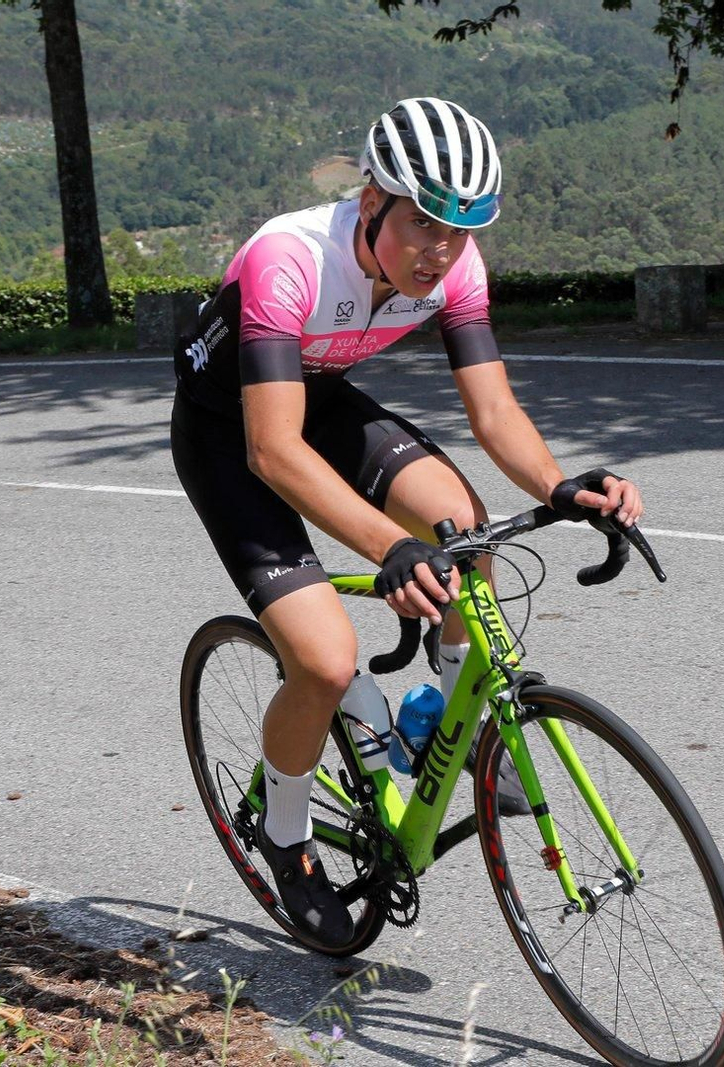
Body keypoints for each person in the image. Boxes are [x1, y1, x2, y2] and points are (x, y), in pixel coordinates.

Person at [170, 97, 644, 949]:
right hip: (230, 431)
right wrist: (389, 545)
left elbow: (493, 410)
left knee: (463, 523)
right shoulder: (288, 260)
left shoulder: (457, 269)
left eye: (460, 232)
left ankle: (447, 723)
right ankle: (285, 835)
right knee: (323, 660)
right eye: (424, 223)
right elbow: (273, 451)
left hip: (318, 397)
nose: (441, 251)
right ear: (369, 204)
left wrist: (559, 482)